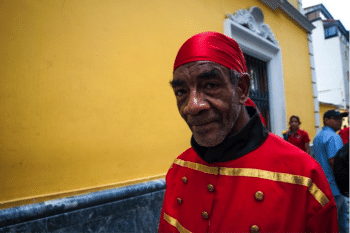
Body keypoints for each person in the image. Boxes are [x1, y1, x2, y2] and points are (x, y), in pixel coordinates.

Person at [158, 31, 338, 232]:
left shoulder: (304, 177)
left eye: (210, 85)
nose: (192, 106)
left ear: (242, 89)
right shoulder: (179, 169)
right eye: (181, 91)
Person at [313, 109, 349, 233]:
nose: (340, 121)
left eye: (341, 118)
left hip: (324, 185)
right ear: (326, 120)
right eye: (336, 118)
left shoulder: (318, 136)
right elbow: (335, 162)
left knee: (340, 218)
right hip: (335, 187)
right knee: (339, 221)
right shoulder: (333, 137)